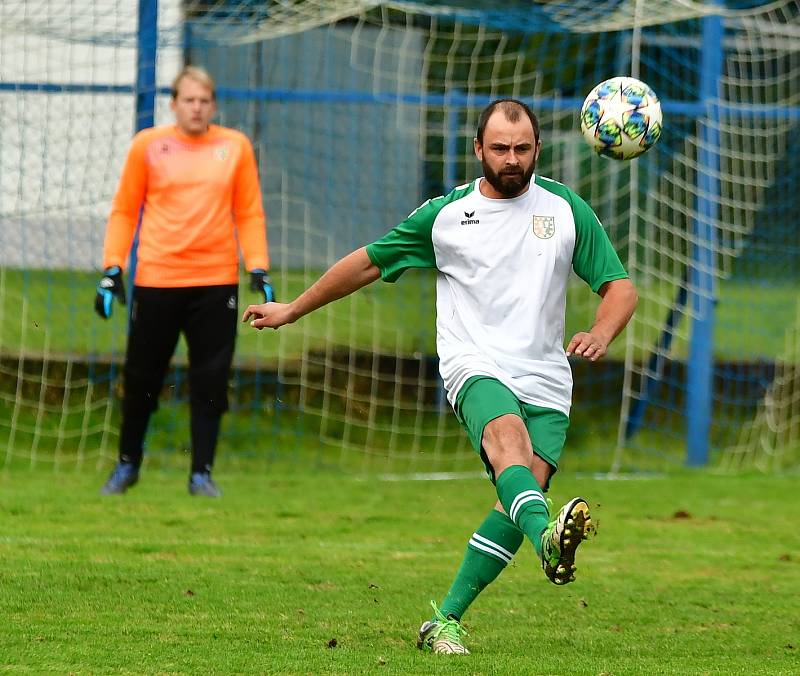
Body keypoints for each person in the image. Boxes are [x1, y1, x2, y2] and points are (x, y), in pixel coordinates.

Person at [243, 99, 637, 652]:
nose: (511, 159)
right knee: (510, 447)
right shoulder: (447, 216)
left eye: (522, 149)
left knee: (518, 497)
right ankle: (547, 537)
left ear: (538, 150)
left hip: (547, 376)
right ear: (478, 150)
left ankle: (444, 620)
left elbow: (620, 289)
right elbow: (366, 261)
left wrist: (600, 331)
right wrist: (291, 310)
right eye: (499, 148)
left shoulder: (566, 210)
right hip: (474, 364)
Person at [96, 65, 274, 498]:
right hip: (157, 280)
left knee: (211, 381)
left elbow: (248, 211)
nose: (196, 108)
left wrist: (258, 266)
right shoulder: (147, 146)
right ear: (173, 103)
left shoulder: (234, 147)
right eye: (188, 100)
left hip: (215, 283)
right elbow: (124, 210)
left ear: (213, 105)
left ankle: (201, 474)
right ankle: (127, 465)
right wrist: (112, 268)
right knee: (141, 378)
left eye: (204, 101)